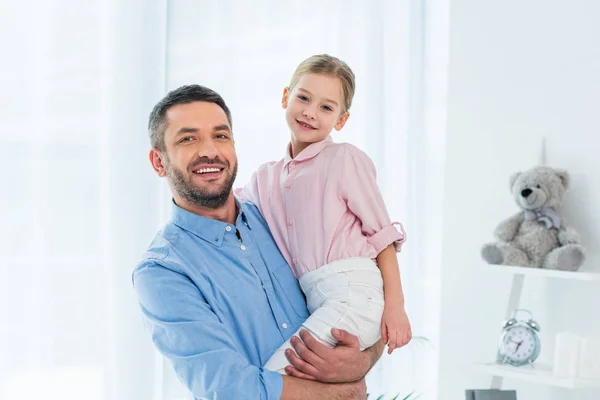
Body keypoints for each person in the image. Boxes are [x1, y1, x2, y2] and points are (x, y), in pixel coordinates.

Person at [132, 84, 383, 400]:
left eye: (220, 135)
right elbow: (230, 389)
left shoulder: (280, 214)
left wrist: (361, 360)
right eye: (188, 138)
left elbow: (362, 287)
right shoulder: (162, 271)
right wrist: (344, 393)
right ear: (158, 162)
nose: (209, 151)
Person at [236, 54, 412, 374]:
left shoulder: (344, 159)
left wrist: (396, 308)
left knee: (272, 380)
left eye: (326, 107)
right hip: (316, 299)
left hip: (355, 296)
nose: (310, 112)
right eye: (303, 98)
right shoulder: (264, 178)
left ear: (341, 120)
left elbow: (382, 237)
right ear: (285, 97)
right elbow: (226, 205)